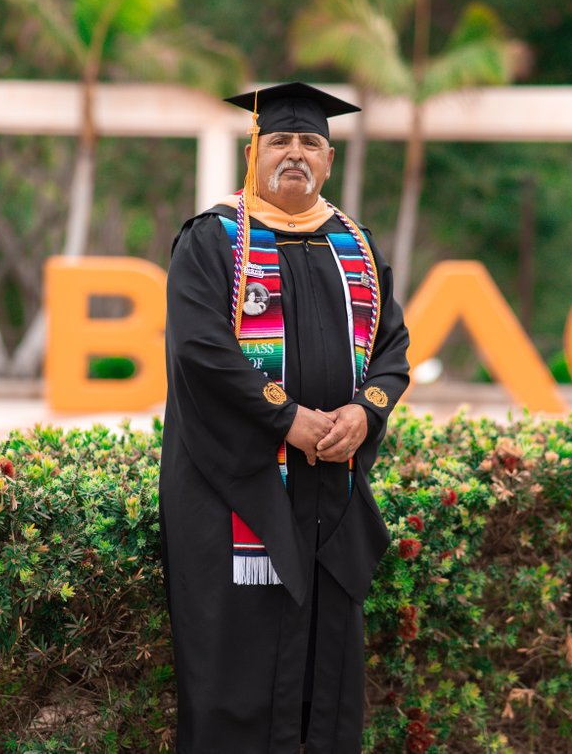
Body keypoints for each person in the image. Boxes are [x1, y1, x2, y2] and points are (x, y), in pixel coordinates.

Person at [159, 81, 410, 753]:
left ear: (328, 160)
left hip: (330, 491)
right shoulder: (214, 241)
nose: (294, 154)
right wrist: (287, 418)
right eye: (279, 141)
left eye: (309, 143)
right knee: (236, 667)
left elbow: (392, 349)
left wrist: (365, 411)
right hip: (235, 493)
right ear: (253, 153)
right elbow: (201, 351)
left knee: (324, 680)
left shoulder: (356, 248)